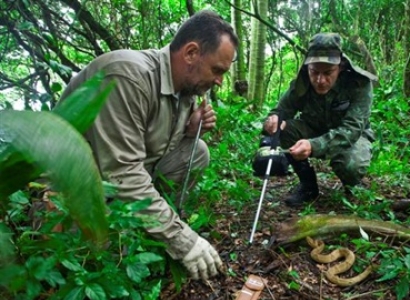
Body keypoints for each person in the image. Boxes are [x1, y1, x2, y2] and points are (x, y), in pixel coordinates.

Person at [58, 10, 239, 280]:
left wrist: (189, 131)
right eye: (217, 70)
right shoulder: (128, 76)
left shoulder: (186, 88)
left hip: (113, 184)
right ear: (191, 53)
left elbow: (153, 148)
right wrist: (183, 241)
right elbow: (123, 172)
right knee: (109, 252)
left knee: (196, 152)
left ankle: (155, 225)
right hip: (72, 193)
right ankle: (152, 231)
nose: (220, 81)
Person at [263, 33, 377, 207]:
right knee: (285, 131)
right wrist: (274, 120)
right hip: (314, 128)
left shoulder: (359, 83)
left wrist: (313, 145)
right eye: (314, 72)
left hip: (351, 136)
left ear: (340, 66)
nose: (320, 80)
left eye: (328, 73)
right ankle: (308, 186)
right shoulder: (302, 82)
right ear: (308, 67)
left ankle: (352, 187)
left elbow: (353, 129)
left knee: (351, 166)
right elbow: (282, 110)